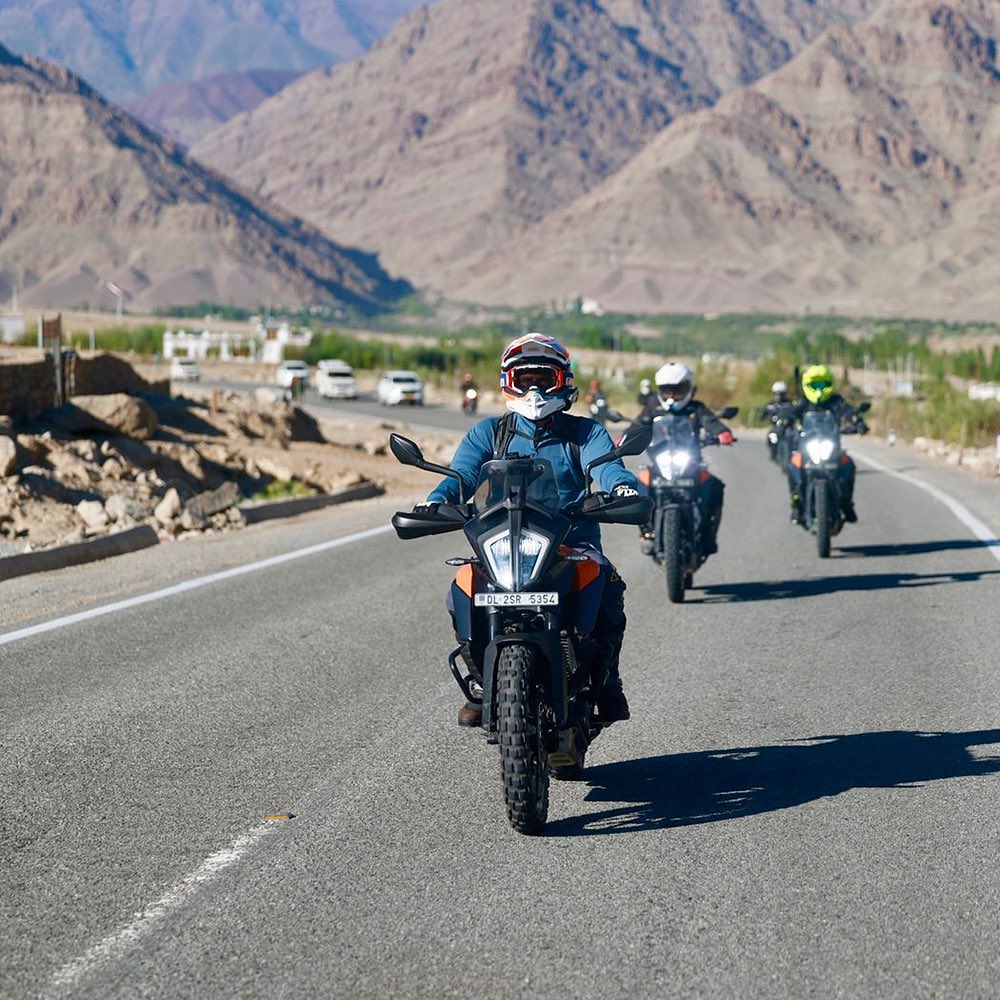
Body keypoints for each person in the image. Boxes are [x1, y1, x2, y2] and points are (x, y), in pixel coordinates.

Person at [414, 333, 640, 728]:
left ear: (563, 381)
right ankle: (484, 679)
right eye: (525, 379)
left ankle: (607, 680)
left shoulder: (586, 433)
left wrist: (622, 487)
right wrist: (437, 499)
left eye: (543, 379)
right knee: (461, 589)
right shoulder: (490, 432)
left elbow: (608, 467)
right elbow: (462, 474)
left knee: (607, 585)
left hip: (571, 544)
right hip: (502, 543)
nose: (534, 389)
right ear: (508, 382)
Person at [636, 361, 734, 555]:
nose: (672, 395)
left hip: (690, 463)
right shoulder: (653, 407)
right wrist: (624, 438)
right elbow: (637, 425)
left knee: (715, 487)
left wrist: (722, 432)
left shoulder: (696, 408)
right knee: (638, 484)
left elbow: (711, 422)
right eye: (667, 390)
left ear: (689, 388)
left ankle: (708, 534)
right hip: (661, 462)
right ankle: (646, 532)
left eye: (678, 390)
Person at [786, 364, 868, 524]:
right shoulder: (802, 402)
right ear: (806, 385)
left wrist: (857, 421)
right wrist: (782, 417)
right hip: (807, 447)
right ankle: (796, 503)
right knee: (793, 463)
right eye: (815, 385)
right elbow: (790, 411)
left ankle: (846, 503)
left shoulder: (836, 401)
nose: (819, 389)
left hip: (831, 446)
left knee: (848, 464)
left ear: (830, 384)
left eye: (823, 384)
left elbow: (847, 411)